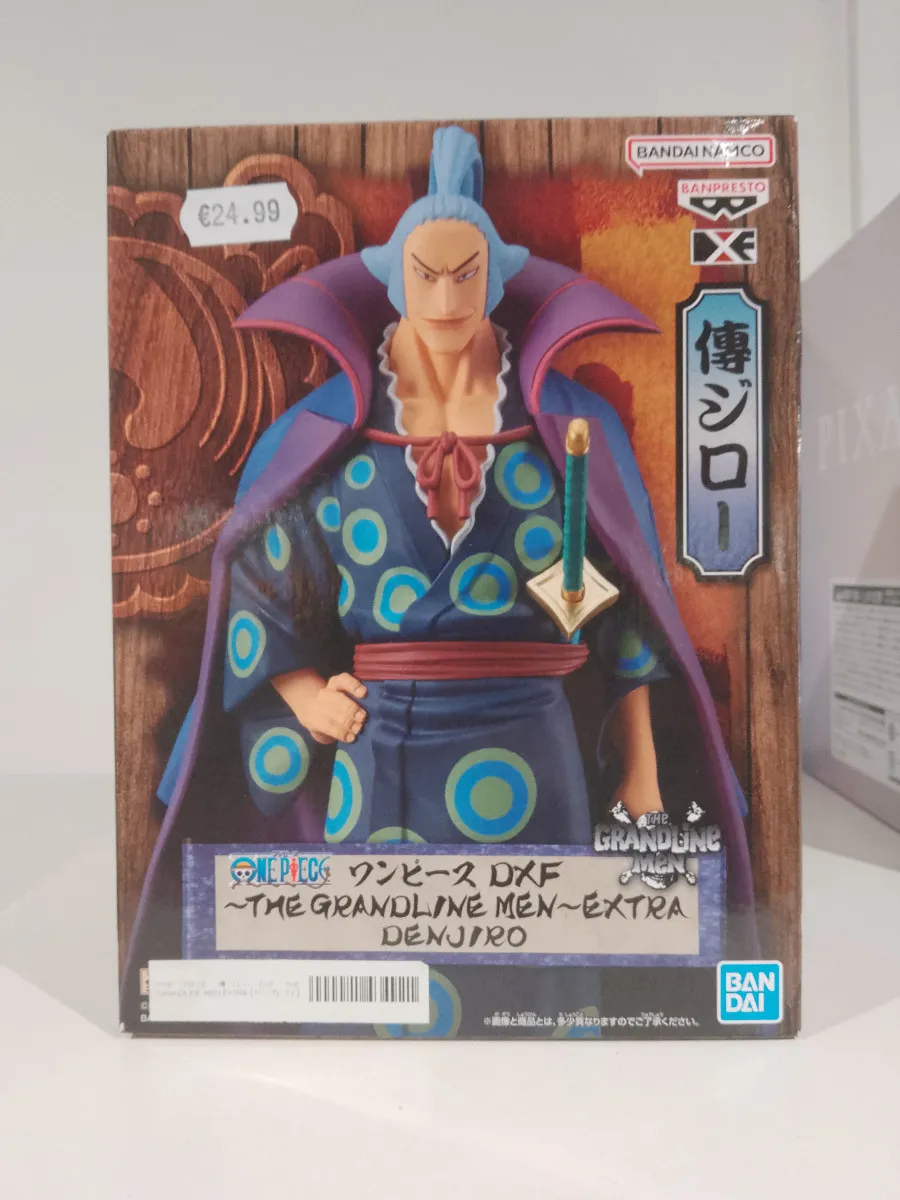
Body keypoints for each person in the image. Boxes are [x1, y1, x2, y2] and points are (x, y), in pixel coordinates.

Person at [128, 127, 754, 1036]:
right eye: (427, 275)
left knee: (538, 967)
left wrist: (642, 769)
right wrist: (304, 693)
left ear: (498, 280)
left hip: (531, 741)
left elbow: (624, 611)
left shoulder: (562, 434)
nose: (448, 297)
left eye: (467, 275)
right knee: (379, 973)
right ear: (393, 281)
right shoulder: (339, 437)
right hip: (379, 738)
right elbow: (262, 580)